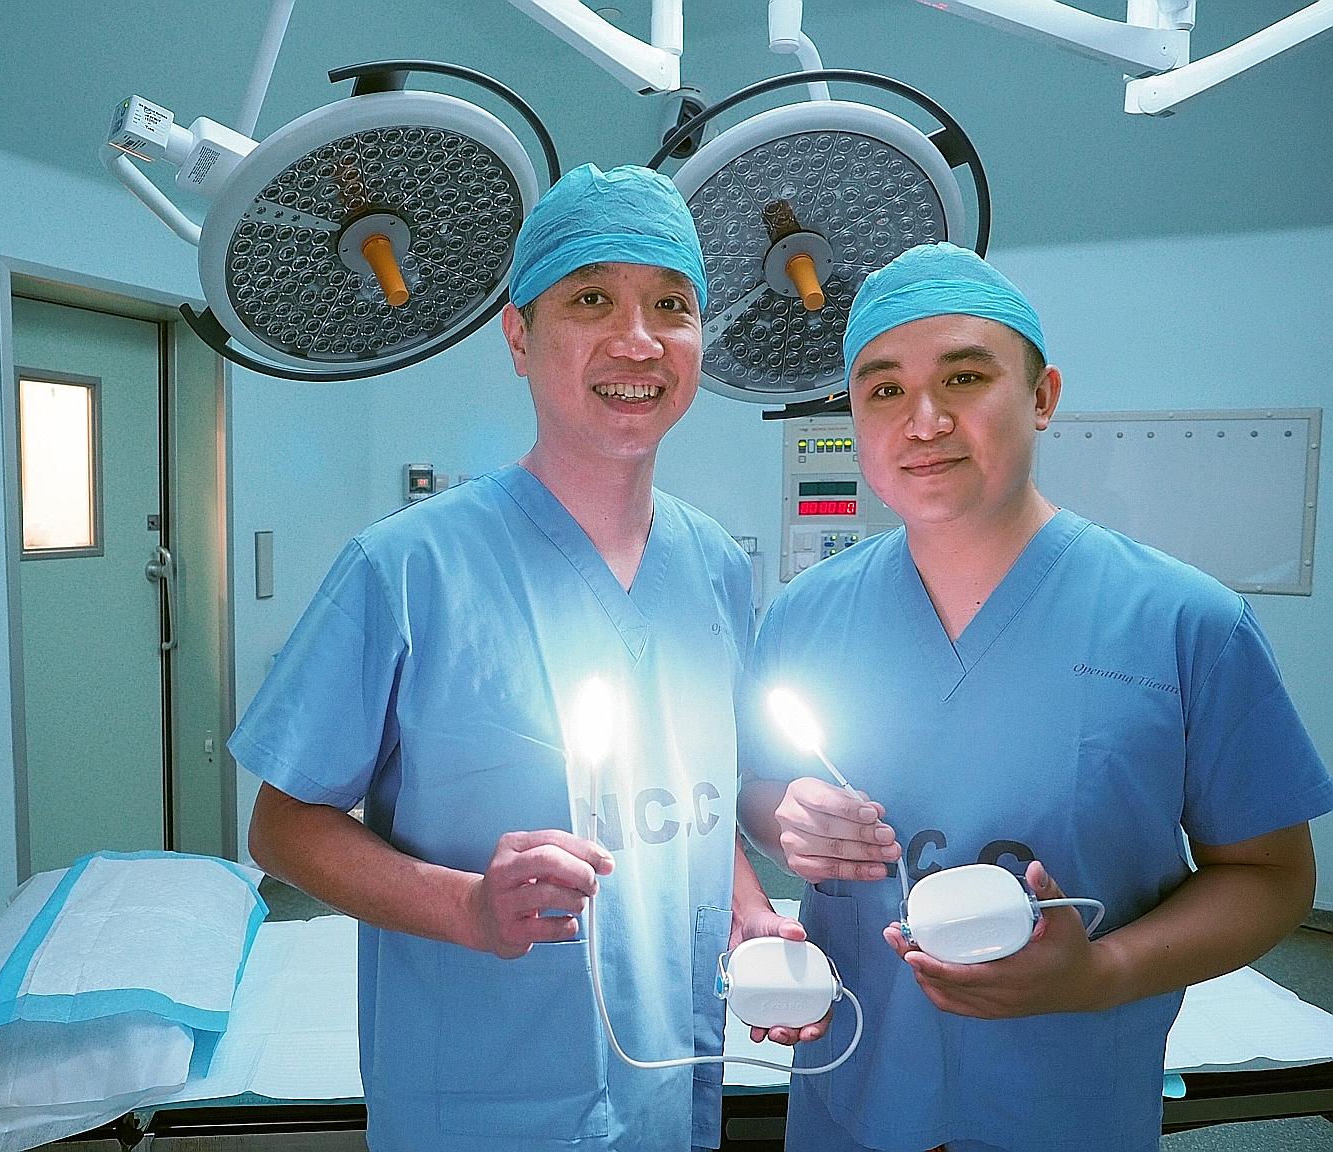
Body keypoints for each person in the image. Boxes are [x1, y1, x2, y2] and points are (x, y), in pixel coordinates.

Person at [230, 163, 815, 1152]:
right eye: (591, 300)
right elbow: (282, 830)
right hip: (483, 1097)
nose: (638, 340)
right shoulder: (408, 568)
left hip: (668, 1082)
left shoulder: (714, 565)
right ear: (519, 336)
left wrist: (748, 911)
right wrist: (467, 906)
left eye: (671, 305)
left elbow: (693, 797)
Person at [736, 242, 1333, 1152]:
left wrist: (1102, 972)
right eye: (884, 389)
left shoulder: (1185, 624)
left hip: (1067, 1102)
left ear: (1043, 395)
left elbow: (1272, 876)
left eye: (965, 377)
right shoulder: (805, 617)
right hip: (854, 1094)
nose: (925, 421)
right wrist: (787, 822)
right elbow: (760, 795)